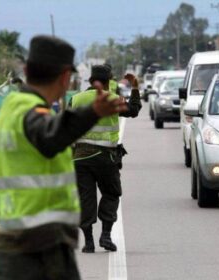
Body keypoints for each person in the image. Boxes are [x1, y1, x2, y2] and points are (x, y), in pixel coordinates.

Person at [0, 35, 127, 280]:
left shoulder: (10, 108)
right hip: (40, 246)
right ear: (66, 77)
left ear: (27, 70)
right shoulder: (31, 112)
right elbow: (50, 136)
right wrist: (92, 112)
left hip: (14, 241)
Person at [70, 65, 141, 253]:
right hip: (105, 157)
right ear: (109, 80)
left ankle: (88, 242)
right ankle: (106, 236)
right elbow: (133, 110)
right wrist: (135, 87)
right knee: (111, 193)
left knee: (86, 198)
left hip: (80, 159)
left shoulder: (76, 99)